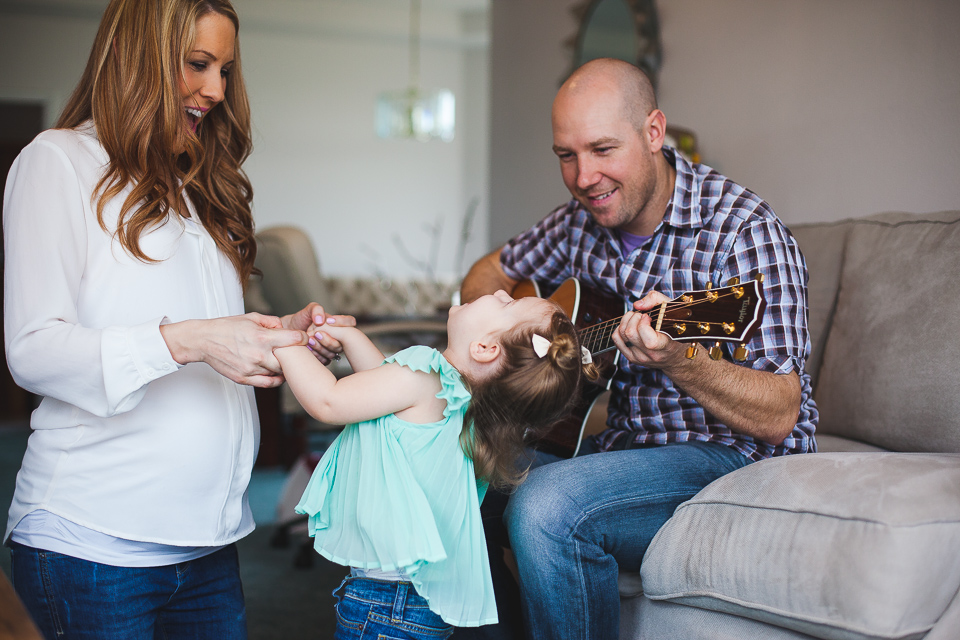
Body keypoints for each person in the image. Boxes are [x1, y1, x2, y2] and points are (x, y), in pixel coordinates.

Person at [1, 1, 344, 637]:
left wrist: (277, 335)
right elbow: (33, 350)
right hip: (92, 549)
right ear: (140, 57)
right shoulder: (58, 161)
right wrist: (192, 341)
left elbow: (207, 335)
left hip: (206, 546)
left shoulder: (196, 187)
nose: (216, 90)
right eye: (198, 64)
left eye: (225, 70)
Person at [457, 58, 819, 639]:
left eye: (603, 149)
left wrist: (680, 359)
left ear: (654, 132)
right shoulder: (580, 222)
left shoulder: (744, 231)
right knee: (456, 477)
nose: (583, 177)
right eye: (566, 156)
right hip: (620, 449)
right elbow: (487, 272)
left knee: (547, 505)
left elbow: (780, 414)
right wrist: (508, 340)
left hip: (731, 461)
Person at [272, 289, 596, 639]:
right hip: (414, 602)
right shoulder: (461, 397)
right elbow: (384, 385)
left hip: (386, 606)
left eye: (508, 304)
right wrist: (351, 338)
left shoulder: (426, 378)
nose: (502, 291)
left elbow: (328, 401)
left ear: (484, 348)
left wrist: (281, 341)